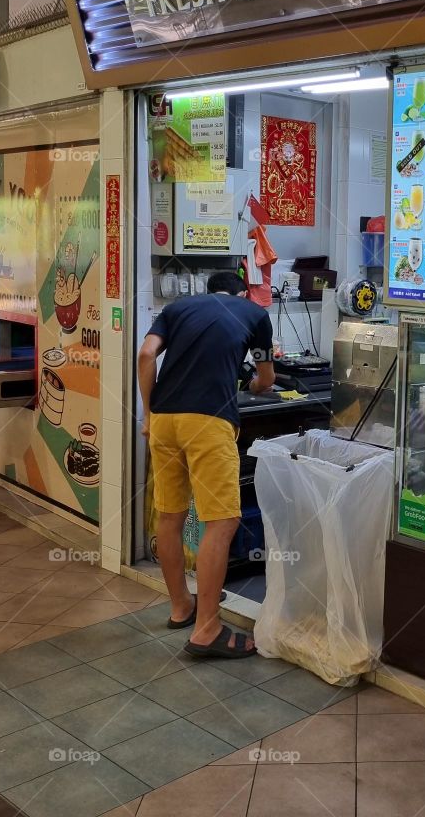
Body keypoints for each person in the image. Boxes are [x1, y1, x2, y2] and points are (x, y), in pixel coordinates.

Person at [137, 270, 275, 658]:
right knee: (222, 522)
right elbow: (266, 377)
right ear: (243, 292)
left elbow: (147, 354)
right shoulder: (254, 314)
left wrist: (148, 413)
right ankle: (207, 630)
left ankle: (182, 607)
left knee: (170, 515)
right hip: (209, 422)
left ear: (207, 290)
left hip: (164, 422)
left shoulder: (177, 308)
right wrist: (249, 385)